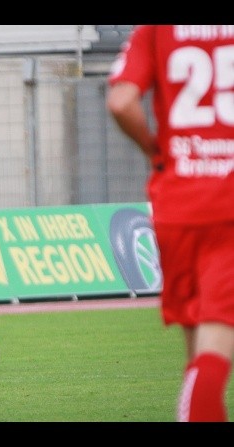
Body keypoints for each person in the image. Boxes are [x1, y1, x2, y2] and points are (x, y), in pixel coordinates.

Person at [106, 25, 234, 422]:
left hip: (176, 204)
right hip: (227, 206)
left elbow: (122, 101)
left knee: (197, 350)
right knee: (215, 353)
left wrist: (155, 150)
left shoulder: (156, 30)